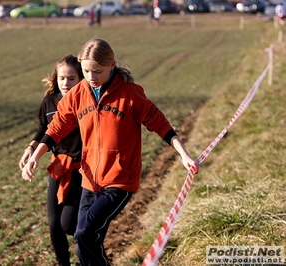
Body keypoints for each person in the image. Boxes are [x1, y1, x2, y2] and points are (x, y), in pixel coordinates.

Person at [21, 38, 199, 266]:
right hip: (89, 181)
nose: (91, 77)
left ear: (112, 65)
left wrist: (183, 154)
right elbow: (55, 127)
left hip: (119, 181)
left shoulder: (130, 94)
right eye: (86, 71)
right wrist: (35, 156)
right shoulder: (78, 94)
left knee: (84, 233)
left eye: (98, 71)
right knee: (83, 242)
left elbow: (159, 123)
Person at [19, 55, 84, 266]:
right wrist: (30, 148)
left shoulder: (87, 101)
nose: (66, 83)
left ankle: (90, 244)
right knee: (54, 224)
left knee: (68, 225)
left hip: (82, 168)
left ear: (81, 78)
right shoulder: (49, 101)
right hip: (59, 166)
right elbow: (43, 128)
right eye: (62, 78)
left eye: (71, 78)